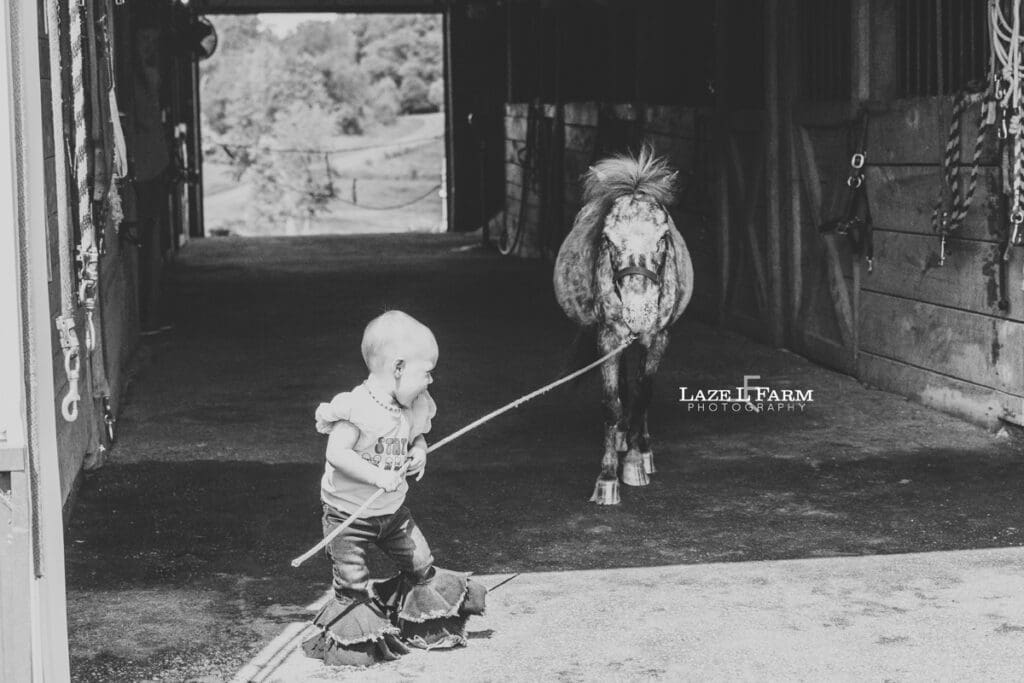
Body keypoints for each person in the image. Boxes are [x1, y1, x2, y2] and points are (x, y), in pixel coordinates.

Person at [302, 310, 486, 667]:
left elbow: (417, 435)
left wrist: (419, 451)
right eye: (426, 371)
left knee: (421, 562)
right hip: (348, 515)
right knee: (353, 584)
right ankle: (355, 642)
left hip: (393, 513)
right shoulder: (358, 408)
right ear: (398, 368)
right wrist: (375, 476)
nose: (431, 380)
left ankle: (419, 623)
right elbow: (336, 454)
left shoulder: (412, 406)